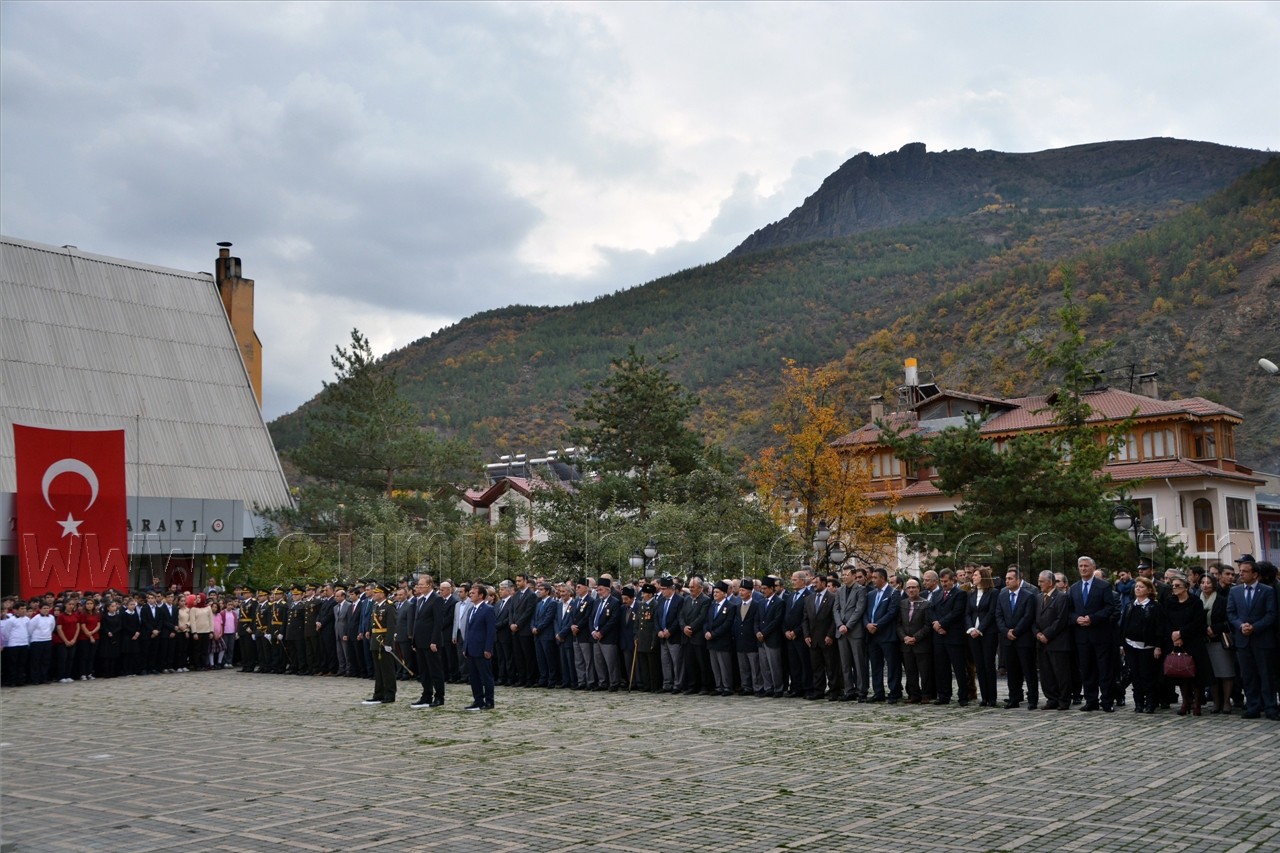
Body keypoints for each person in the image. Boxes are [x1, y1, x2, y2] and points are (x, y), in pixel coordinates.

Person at [1226, 556, 1278, 720]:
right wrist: (1241, 625)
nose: (1241, 574)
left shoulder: (1267, 591)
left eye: (1245, 571)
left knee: (1266, 675)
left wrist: (1254, 627)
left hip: (1262, 639)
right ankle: (1253, 706)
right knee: (1248, 675)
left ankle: (1270, 708)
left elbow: (1271, 614)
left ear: (1255, 574)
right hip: (1243, 640)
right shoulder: (1235, 591)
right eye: (1240, 571)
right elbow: (1231, 613)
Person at [1070, 556, 1115, 712]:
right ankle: (1091, 700)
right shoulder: (1074, 588)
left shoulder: (1103, 586)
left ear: (1093, 567)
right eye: (1081, 566)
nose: (1083, 568)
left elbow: (1110, 608)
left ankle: (1107, 701)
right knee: (1087, 670)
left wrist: (1092, 618)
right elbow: (1069, 611)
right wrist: (1077, 619)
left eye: (1086, 566)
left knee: (1104, 670)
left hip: (1100, 635)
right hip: (1082, 636)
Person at [1164, 572, 1209, 716]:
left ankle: (1197, 702)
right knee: (1180, 672)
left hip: (1193, 640)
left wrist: (1182, 633)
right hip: (1176, 642)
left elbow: (1198, 622)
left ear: (1186, 587)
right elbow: (1166, 620)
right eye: (1173, 586)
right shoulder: (1170, 602)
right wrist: (1174, 635)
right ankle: (1185, 701)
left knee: (1195, 672)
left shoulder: (1195, 602)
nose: (1174, 588)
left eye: (1178, 586)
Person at [995, 566, 1039, 710]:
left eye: (1010, 578)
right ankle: (1013, 698)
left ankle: (1032, 699)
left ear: (1019, 580)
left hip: (1024, 639)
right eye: (1006, 578)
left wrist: (1016, 631)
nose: (1007, 581)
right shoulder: (1002, 595)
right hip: (1007, 640)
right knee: (1012, 671)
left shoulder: (1028, 596)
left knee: (1028, 670)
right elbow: (999, 615)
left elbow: (1028, 616)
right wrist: (1006, 631)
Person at [1120, 576, 1165, 714]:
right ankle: (1138, 702)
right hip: (1130, 645)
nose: (1138, 589)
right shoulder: (1130, 606)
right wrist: (1122, 644)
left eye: (1141, 587)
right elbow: (1123, 626)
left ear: (1149, 590)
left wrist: (1158, 645)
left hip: (1147, 647)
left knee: (1147, 675)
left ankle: (1151, 703)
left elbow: (1159, 627)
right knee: (1135, 675)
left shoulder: (1154, 606)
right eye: (1136, 587)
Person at [1033, 571, 1073, 711]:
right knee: (1046, 673)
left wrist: (1047, 634)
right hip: (1041, 642)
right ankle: (1052, 698)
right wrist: (1037, 633)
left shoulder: (1062, 597)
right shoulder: (1038, 598)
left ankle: (1064, 700)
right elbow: (1033, 619)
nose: (1039, 584)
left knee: (1061, 673)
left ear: (1050, 582)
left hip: (1057, 642)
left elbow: (1060, 620)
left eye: (1041, 581)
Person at [931, 569, 969, 706]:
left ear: (953, 580)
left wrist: (942, 624)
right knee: (941, 668)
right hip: (939, 637)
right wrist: (936, 624)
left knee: (959, 668)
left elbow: (957, 612)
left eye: (946, 581)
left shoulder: (960, 594)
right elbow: (932, 610)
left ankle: (963, 696)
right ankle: (944, 695)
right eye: (941, 581)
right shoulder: (937, 594)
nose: (944, 584)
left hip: (953, 635)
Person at [409, 574, 447, 709]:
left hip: (431, 642)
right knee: (423, 671)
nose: (419, 587)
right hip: (420, 641)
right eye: (418, 585)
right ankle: (426, 695)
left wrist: (434, 641)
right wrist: (414, 640)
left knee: (435, 670)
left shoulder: (436, 599)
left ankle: (439, 697)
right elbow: (417, 621)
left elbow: (438, 623)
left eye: (421, 585)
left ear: (429, 585)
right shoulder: (420, 600)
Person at [865, 567, 901, 703]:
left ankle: (894, 692)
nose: (872, 580)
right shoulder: (871, 594)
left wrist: (877, 625)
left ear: (882, 578)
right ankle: (878, 692)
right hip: (872, 636)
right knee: (875, 665)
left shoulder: (893, 593)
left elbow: (892, 613)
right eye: (872, 578)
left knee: (892, 665)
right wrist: (867, 624)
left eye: (875, 578)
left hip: (887, 635)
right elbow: (866, 612)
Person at [1200, 575, 1236, 714]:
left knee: (1225, 672)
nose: (1205, 585)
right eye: (1202, 582)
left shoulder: (1222, 600)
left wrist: (1215, 628)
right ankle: (1216, 702)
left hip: (1220, 640)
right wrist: (1204, 629)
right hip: (1204, 641)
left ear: (1214, 584)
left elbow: (1229, 620)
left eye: (1208, 582)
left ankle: (1227, 701)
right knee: (1212, 673)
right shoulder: (1197, 600)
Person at [802, 574, 839, 701]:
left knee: (831, 666)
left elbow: (835, 619)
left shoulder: (832, 597)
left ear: (823, 583)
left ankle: (834, 690)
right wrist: (806, 635)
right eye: (813, 582)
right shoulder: (809, 599)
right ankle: (818, 690)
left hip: (827, 638)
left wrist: (830, 635)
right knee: (816, 667)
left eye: (816, 582)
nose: (814, 584)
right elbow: (805, 619)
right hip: (813, 639)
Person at [965, 567, 998, 707]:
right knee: (979, 665)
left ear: (983, 577)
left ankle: (992, 697)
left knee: (988, 665)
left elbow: (991, 613)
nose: (973, 577)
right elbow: (967, 613)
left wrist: (980, 629)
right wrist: (971, 628)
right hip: (972, 634)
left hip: (987, 633)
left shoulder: (993, 593)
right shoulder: (971, 594)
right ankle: (984, 697)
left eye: (976, 575)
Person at [834, 566, 867, 702]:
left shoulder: (861, 590)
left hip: (854, 630)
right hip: (841, 631)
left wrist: (848, 625)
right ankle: (849, 690)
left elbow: (859, 610)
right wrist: (840, 625)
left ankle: (861, 690)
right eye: (843, 575)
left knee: (859, 662)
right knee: (845, 663)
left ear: (854, 575)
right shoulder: (840, 590)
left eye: (847, 574)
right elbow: (835, 609)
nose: (844, 577)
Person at [362, 582, 398, 705]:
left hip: (384, 640)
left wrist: (388, 643)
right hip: (375, 640)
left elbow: (392, 626)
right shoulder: (376, 606)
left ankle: (389, 694)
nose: (374, 594)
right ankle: (378, 693)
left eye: (376, 592)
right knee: (378, 669)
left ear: (382, 594)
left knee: (387, 669)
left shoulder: (389, 606)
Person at [897, 578, 933, 704]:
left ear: (919, 588)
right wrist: (904, 637)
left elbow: (927, 625)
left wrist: (915, 638)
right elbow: (898, 624)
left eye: (914, 587)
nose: (911, 590)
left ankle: (926, 695)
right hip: (906, 644)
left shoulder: (926, 604)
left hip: (921, 644)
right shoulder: (902, 604)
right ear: (906, 590)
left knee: (924, 671)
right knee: (910, 671)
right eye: (909, 588)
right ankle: (914, 694)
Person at [463, 582, 497, 710]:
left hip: (482, 649)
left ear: (481, 595)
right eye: (470, 593)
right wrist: (465, 647)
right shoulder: (471, 609)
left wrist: (488, 648)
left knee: (486, 676)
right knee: (474, 677)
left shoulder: (488, 609)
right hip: (471, 649)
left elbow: (491, 631)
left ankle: (489, 701)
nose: (470, 595)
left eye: (473, 593)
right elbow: (468, 630)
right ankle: (478, 700)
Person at [54, 599, 81, 683]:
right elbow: (59, 629)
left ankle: (68, 675)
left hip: (73, 640)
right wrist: (65, 640)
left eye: (73, 604)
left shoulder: (76, 615)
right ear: (65, 605)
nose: (71, 606)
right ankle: (61, 676)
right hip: (62, 641)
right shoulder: (61, 616)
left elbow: (78, 627)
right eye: (69, 604)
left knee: (70, 658)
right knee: (63, 659)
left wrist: (74, 639)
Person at [97, 600, 123, 679]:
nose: (114, 608)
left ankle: (113, 672)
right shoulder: (104, 616)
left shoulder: (118, 616)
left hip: (116, 637)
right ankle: (106, 672)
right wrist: (108, 632)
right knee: (107, 656)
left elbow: (120, 626)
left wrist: (113, 632)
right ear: (108, 608)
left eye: (115, 606)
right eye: (112, 606)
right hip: (106, 638)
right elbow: (103, 626)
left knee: (114, 655)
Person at [121, 597, 143, 676]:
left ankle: (134, 670)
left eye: (134, 604)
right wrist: (134, 633)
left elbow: (138, 624)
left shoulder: (135, 613)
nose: (132, 606)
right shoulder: (124, 614)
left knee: (135, 654)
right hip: (127, 637)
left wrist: (137, 632)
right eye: (131, 604)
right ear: (127, 605)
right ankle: (127, 671)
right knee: (127, 655)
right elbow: (124, 626)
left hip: (135, 637)